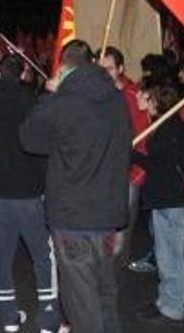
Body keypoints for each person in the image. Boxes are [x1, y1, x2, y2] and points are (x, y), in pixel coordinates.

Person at [19, 40, 132, 333]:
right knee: (104, 293)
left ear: (62, 67)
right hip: (108, 214)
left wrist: (48, 95)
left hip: (73, 217)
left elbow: (29, 138)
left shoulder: (63, 101)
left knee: (82, 303)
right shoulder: (117, 99)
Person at [0, 56, 58, 332]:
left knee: (1, 253)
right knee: (42, 253)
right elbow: (47, 145)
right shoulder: (34, 102)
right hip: (30, 190)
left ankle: (9, 318)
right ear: (24, 73)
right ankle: (49, 319)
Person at [133, 84, 184, 327]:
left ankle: (173, 307)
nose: (139, 97)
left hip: (172, 200)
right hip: (169, 199)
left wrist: (130, 153)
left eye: (144, 95)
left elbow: (159, 165)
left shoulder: (168, 128)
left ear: (155, 102)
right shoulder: (166, 124)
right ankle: (165, 300)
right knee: (165, 253)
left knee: (171, 255)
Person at [98, 46, 151, 266]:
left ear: (120, 68)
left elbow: (143, 139)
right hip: (99, 174)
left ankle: (114, 282)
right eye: (99, 68)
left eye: (109, 68)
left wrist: (136, 175)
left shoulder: (132, 97)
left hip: (126, 174)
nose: (103, 73)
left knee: (121, 235)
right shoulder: (95, 94)